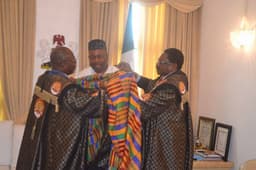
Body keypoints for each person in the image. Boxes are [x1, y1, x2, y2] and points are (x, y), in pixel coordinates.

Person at [16, 46, 107, 170]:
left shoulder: (43, 78)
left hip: (44, 138)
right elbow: (85, 104)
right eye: (72, 59)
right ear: (63, 63)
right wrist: (105, 94)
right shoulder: (63, 85)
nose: (75, 62)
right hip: (57, 145)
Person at [137, 48, 194, 170]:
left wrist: (125, 98)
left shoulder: (172, 85)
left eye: (161, 62)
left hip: (166, 141)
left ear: (172, 66)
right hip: (158, 136)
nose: (157, 64)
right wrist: (134, 77)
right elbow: (151, 85)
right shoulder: (166, 78)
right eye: (158, 61)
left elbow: (149, 108)